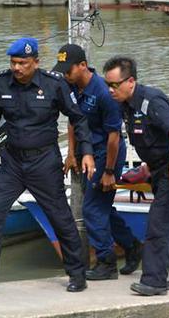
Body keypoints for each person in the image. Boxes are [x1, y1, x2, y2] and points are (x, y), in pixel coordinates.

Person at [0, 38, 95, 293]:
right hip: (12, 162)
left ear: (36, 62)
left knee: (60, 218)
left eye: (22, 63)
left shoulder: (54, 84)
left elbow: (78, 119)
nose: (17, 68)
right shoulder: (0, 83)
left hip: (44, 161)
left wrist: (85, 152)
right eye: (13, 62)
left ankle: (77, 273)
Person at [103, 56, 169, 296]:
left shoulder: (151, 100)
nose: (110, 90)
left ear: (131, 82)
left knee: (159, 223)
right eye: (108, 84)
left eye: (114, 85)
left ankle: (154, 281)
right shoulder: (125, 104)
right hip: (159, 169)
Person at [52, 44, 142, 281]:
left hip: (106, 153)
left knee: (92, 208)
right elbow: (73, 119)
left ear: (82, 66)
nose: (64, 74)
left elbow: (114, 136)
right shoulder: (71, 86)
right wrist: (72, 153)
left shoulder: (104, 92)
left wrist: (110, 172)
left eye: (68, 70)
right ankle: (132, 246)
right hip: (86, 154)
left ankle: (106, 261)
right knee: (101, 208)